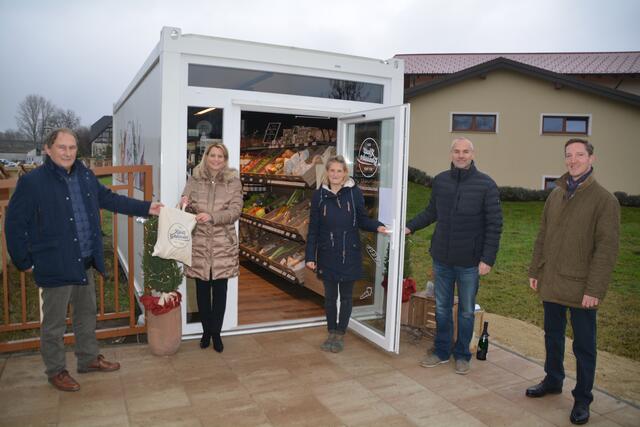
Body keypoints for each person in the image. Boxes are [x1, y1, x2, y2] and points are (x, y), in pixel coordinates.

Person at [4, 128, 163, 392]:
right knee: (54, 324)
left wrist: (146, 207)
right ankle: (55, 370)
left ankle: (88, 359)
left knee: (86, 314)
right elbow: (14, 224)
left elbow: (110, 199)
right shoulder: (33, 182)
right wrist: (23, 261)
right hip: (54, 263)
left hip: (85, 260)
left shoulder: (85, 175)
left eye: (72, 147)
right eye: (62, 147)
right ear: (48, 149)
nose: (67, 152)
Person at [526, 138, 619, 425]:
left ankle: (582, 398)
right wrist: (535, 270)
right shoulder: (555, 194)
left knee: (584, 346)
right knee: (552, 336)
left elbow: (606, 250)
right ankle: (553, 380)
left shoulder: (605, 200)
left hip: (582, 288)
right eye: (569, 155)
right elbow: (543, 235)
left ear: (592, 158)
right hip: (552, 280)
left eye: (580, 154)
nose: (573, 159)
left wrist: (594, 290)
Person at [405, 137, 502, 375]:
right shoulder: (441, 181)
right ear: (451, 154)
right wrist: (409, 226)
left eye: (465, 151)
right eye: (457, 151)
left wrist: (487, 259)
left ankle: (462, 355)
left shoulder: (486, 184)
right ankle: (440, 351)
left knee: (467, 311)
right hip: (442, 259)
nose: (461, 155)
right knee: (442, 308)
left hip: (470, 262)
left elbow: (494, 224)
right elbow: (431, 212)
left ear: (472, 154)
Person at [305, 155, 387, 353]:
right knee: (330, 297)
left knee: (347, 297)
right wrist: (310, 256)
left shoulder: (354, 193)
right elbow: (313, 228)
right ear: (327, 172)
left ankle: (340, 333)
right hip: (327, 252)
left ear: (345, 173)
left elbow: (362, 220)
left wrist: (379, 227)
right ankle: (331, 331)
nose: (335, 174)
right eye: (332, 170)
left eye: (339, 171)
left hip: (349, 252)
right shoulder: (319, 195)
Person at [181, 142, 242, 353]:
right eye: (213, 155)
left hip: (222, 243)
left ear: (225, 160)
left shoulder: (233, 181)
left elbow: (235, 211)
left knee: (220, 289)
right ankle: (206, 331)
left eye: (221, 156)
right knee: (201, 289)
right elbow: (185, 205)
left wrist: (213, 217)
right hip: (199, 240)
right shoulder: (194, 178)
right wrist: (185, 203)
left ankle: (216, 333)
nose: (216, 159)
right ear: (206, 156)